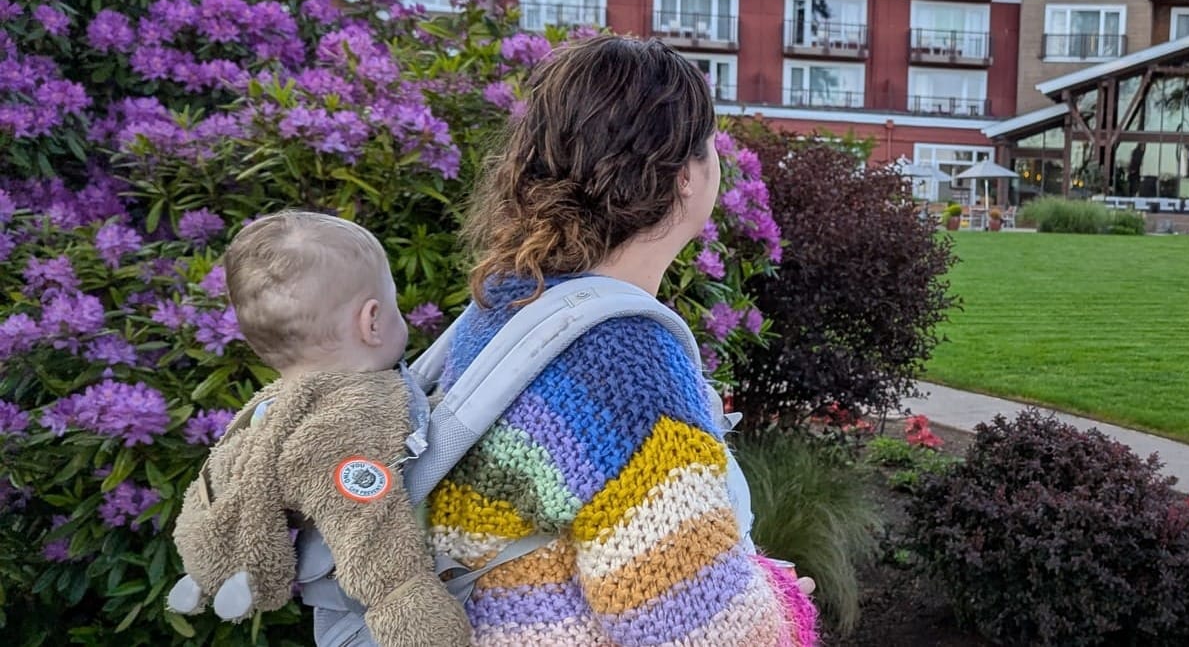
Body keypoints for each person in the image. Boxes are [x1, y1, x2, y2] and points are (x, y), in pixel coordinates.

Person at [424, 35, 820, 645]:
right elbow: (703, 630)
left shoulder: (510, 303)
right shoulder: (625, 364)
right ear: (685, 176)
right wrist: (783, 597)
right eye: (710, 145)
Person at [167, 212, 471, 647]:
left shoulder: (269, 409)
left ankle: (211, 574)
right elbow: (370, 532)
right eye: (394, 305)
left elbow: (219, 485)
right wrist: (421, 623)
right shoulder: (344, 428)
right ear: (372, 321)